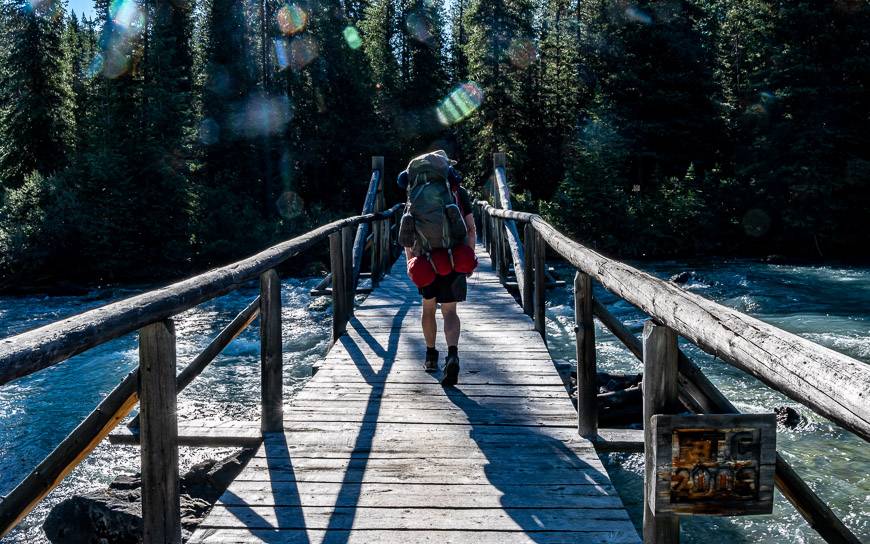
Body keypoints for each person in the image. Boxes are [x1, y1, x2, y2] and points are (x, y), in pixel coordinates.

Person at [398, 153, 476, 386]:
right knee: (450, 311)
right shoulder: (458, 194)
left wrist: (410, 263)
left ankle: (431, 355)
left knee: (428, 308)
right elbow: (470, 229)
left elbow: (407, 235)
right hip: (453, 258)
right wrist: (468, 259)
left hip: (426, 260)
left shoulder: (414, 196)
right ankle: (452, 354)